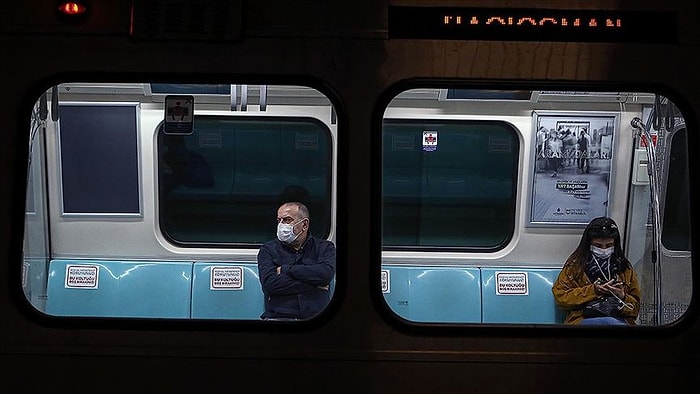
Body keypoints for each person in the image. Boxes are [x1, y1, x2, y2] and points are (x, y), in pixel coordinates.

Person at [552, 216, 641, 325]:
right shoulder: (575, 267)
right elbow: (561, 297)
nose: (603, 250)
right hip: (583, 318)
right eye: (598, 246)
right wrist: (594, 291)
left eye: (609, 246)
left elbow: (635, 309)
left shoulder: (625, 269)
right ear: (589, 244)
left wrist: (622, 296)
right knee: (610, 323)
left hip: (619, 318)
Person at [257, 201, 336, 320]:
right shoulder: (268, 250)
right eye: (279, 220)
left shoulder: (325, 247)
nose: (282, 225)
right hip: (279, 317)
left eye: (287, 220)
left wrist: (286, 269)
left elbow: (326, 274)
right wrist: (314, 284)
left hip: (318, 318)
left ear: (304, 224)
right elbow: (270, 284)